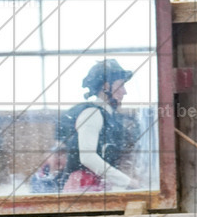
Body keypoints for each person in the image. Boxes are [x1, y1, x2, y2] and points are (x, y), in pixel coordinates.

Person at [55, 59, 139, 193]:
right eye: (121, 85)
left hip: (97, 187)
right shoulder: (92, 113)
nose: (124, 92)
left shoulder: (109, 117)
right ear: (106, 86)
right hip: (83, 187)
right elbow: (88, 157)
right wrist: (127, 182)